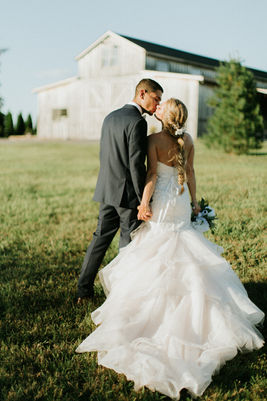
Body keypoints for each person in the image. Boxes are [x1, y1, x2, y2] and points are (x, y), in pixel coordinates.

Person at [76, 99, 264, 399]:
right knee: (185, 245)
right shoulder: (187, 140)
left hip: (162, 202)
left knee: (157, 249)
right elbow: (189, 171)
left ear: (166, 117)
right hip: (178, 202)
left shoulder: (153, 139)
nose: (158, 107)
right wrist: (194, 201)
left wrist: (143, 203)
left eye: (163, 106)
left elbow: (151, 175)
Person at [76, 78, 163, 303]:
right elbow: (136, 165)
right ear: (142, 93)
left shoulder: (110, 117)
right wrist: (142, 198)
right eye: (156, 99)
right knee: (129, 243)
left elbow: (106, 155)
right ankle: (123, 296)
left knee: (100, 240)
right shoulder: (137, 122)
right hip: (127, 194)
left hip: (106, 189)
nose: (157, 105)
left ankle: (83, 291)